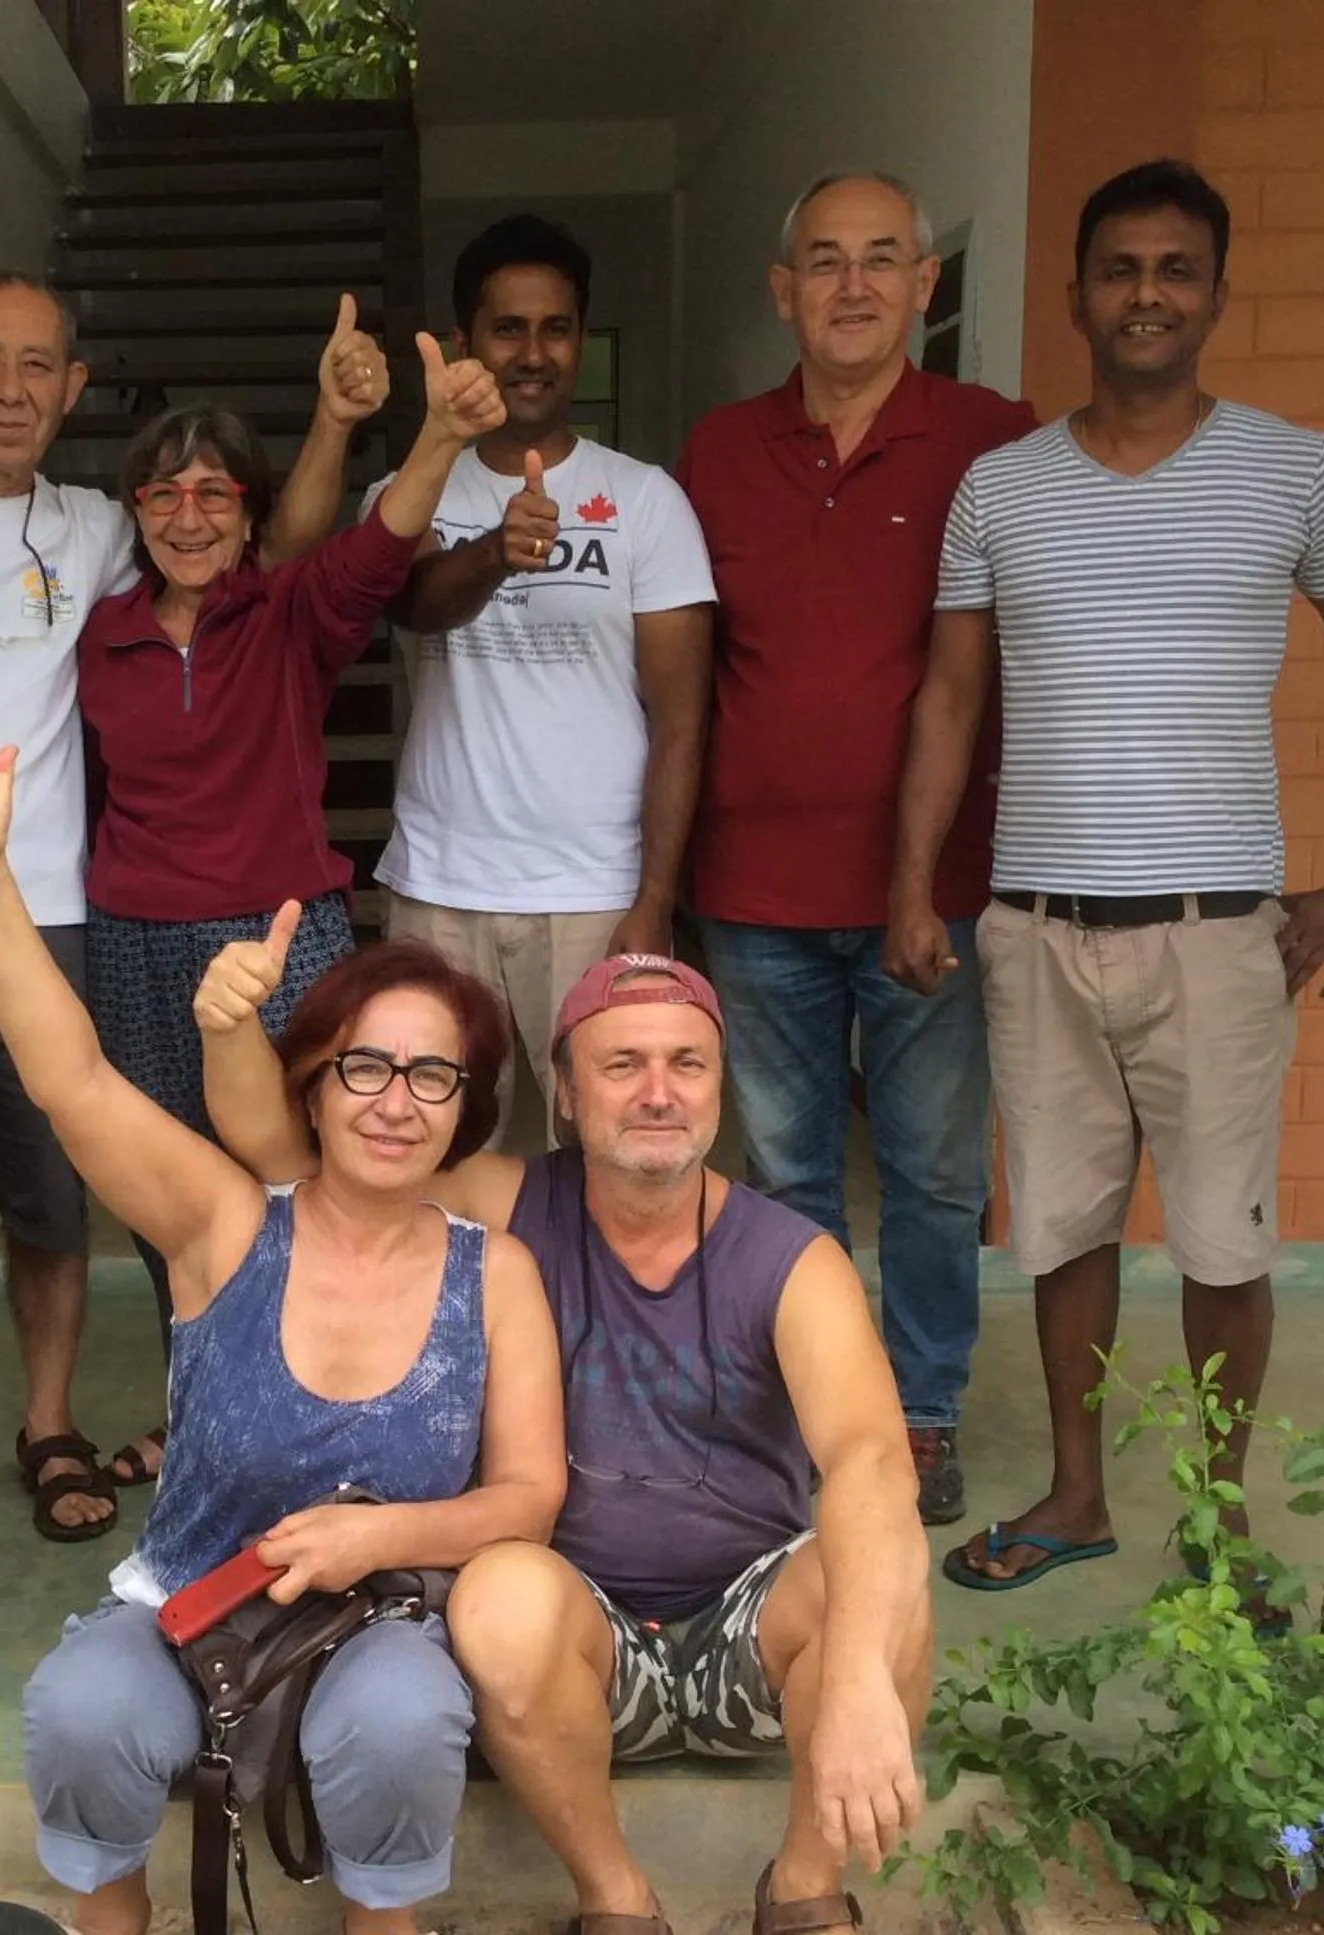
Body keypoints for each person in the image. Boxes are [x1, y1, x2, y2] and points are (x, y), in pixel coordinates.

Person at [0, 748, 565, 1935]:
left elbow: (530, 1495)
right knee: (82, 1706)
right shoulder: (222, 1225)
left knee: (404, 1721)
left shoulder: (494, 1273)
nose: (395, 1101)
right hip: (188, 1608)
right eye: (365, 1065)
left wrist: (386, 1537)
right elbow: (75, 1084)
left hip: (382, 1624)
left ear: (469, 1108)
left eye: (433, 1076)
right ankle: (117, 1920)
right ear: (312, 1083)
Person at [0, 273, 375, 1542]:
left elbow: (285, 543)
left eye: (37, 365)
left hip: (53, 912)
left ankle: (50, 1422)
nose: (9, 389)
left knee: (55, 1185)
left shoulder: (106, 524)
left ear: (73, 388)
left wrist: (333, 425)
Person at [198, 939, 932, 1933]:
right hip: (574, 1652)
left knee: (885, 1571)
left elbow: (872, 1462)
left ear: (722, 1082)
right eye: (621, 1064)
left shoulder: (792, 1258)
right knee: (499, 1590)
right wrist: (229, 1025)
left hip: (747, 1635)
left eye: (687, 1063)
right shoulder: (505, 1206)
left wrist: (852, 1678)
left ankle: (804, 1885)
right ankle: (614, 1896)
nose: (658, 1093)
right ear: (570, 1092)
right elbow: (285, 1153)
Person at [886, 160, 1324, 1593]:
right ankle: (1075, 1491)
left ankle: (1218, 1519)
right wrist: (914, 881)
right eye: (1123, 269)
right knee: (1058, 1223)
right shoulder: (1003, 486)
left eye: (1178, 270)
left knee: (1225, 1236)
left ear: (1217, 292)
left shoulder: (1299, 471)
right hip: (1039, 925)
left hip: (1220, 933)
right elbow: (947, 702)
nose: (1149, 293)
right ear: (1078, 294)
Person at [674, 173, 1038, 1528]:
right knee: (786, 1173)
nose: (853, 284)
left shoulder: (996, 444)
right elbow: (685, 668)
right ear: (784, 290)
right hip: (754, 891)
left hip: (930, 891)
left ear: (926, 283)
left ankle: (924, 1409)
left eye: (883, 258)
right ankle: (820, 1404)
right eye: (823, 260)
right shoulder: (715, 450)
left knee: (939, 1171)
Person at [73, 329, 509, 1457]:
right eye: (163, 492)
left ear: (252, 513)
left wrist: (441, 436)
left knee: (308, 1175)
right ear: (135, 508)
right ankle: (201, 1414)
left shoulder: (289, 615)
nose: (188, 516)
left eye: (214, 493)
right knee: (161, 1191)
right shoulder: (101, 635)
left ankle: (328, 1400)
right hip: (133, 946)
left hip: (281, 939)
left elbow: (380, 545)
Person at [368, 214, 715, 1136]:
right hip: (441, 886)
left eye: (555, 328)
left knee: (607, 1147)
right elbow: (408, 602)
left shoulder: (646, 500)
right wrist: (493, 552)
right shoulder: (409, 490)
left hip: (597, 895)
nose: (532, 352)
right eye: (507, 328)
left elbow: (681, 720)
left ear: (580, 340)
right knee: (435, 1151)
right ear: (462, 345)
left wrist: (653, 900)